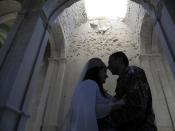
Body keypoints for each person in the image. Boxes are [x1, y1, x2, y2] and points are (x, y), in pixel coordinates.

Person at [64, 57, 124, 131]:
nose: (106, 75)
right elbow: (89, 111)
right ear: (97, 71)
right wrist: (113, 106)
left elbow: (109, 100)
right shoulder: (89, 84)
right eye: (104, 71)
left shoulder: (93, 86)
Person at [108, 51, 157, 131]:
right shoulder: (124, 77)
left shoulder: (133, 73)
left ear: (120, 60)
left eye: (110, 61)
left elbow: (138, 106)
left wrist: (112, 118)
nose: (108, 66)